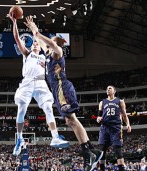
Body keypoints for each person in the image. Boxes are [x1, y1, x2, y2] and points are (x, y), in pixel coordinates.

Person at [23, 16, 103, 171]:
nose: (48, 42)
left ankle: (88, 153)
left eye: (52, 40)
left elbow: (50, 43)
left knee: (71, 119)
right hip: (58, 90)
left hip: (62, 88)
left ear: (56, 43)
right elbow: (39, 40)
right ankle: (91, 150)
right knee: (70, 121)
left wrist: (38, 33)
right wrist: (33, 28)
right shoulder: (48, 54)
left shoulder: (58, 51)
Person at [9, 13, 69, 156]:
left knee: (48, 108)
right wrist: (14, 22)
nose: (36, 44)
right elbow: (17, 38)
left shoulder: (45, 56)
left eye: (37, 43)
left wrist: (36, 30)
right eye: (34, 43)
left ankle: (55, 136)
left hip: (42, 82)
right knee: (21, 109)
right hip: (28, 82)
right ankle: (19, 139)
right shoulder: (27, 53)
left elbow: (52, 47)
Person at [96, 85, 131, 171]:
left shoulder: (120, 101)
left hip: (116, 128)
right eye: (107, 88)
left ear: (114, 91)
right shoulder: (102, 102)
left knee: (117, 150)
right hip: (104, 127)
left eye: (110, 88)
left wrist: (128, 124)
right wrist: (98, 119)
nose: (108, 89)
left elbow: (124, 115)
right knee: (101, 151)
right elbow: (98, 116)